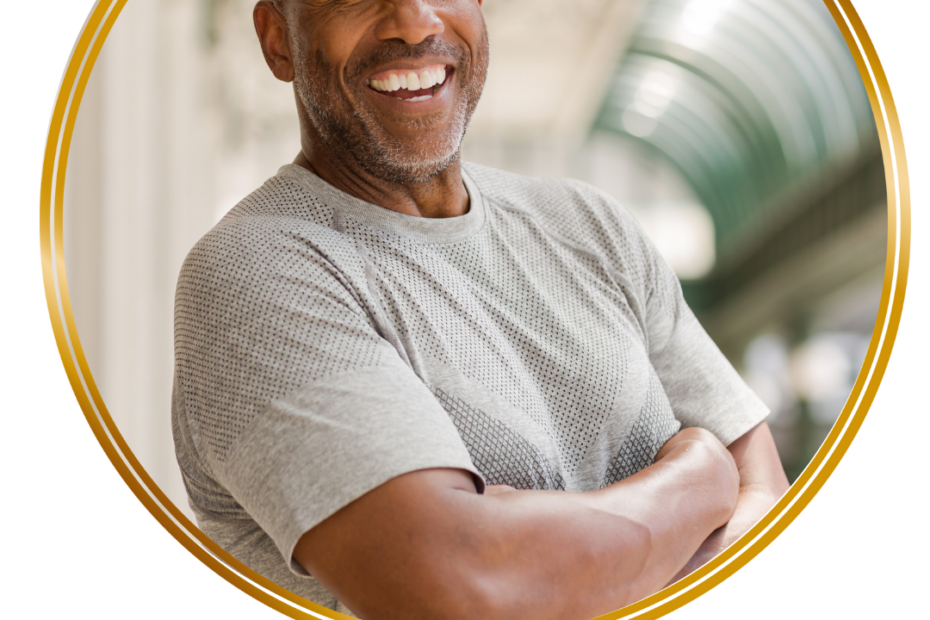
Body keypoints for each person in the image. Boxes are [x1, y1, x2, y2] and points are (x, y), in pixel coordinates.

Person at [171, 1, 790, 618]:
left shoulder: (593, 227)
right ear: (277, 38)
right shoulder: (253, 270)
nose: (414, 22)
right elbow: (464, 588)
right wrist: (698, 482)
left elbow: (765, 497)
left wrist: (548, 556)